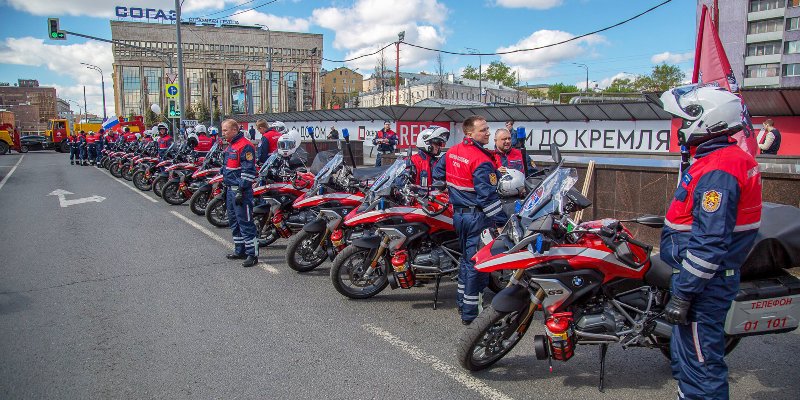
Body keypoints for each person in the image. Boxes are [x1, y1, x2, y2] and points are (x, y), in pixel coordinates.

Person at [659, 85, 762, 400]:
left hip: (705, 284)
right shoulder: (719, 158)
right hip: (707, 280)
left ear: (706, 119)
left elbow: (709, 243)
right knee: (689, 359)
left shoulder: (720, 168)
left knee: (703, 366)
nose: (679, 127)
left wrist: (684, 294)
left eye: (683, 119)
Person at [433, 115, 507, 325]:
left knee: (466, 261)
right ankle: (471, 314)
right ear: (469, 133)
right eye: (483, 130)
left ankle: (463, 304)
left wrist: (453, 189)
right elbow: (488, 198)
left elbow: (437, 174)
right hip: (478, 218)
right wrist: (501, 223)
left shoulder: (453, 152)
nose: (488, 133)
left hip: (459, 215)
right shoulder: (481, 160)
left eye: (487, 128)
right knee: (478, 264)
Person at [220, 119, 259, 267]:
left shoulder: (245, 145)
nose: (223, 133)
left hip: (240, 191)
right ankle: (240, 250)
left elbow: (248, 171)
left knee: (245, 223)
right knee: (234, 222)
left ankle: (252, 254)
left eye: (225, 130)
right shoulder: (231, 146)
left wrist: (241, 190)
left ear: (235, 130)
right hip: (230, 189)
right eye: (223, 130)